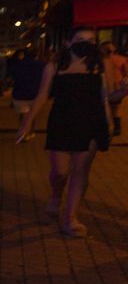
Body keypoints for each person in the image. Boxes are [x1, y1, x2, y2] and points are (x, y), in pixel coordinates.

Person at [16, 27, 113, 237]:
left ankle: (71, 218)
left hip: (92, 123)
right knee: (60, 172)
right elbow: (42, 96)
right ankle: (56, 196)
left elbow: (107, 96)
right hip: (62, 122)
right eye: (80, 39)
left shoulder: (100, 65)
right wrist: (27, 122)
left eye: (90, 40)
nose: (85, 43)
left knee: (80, 170)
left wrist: (113, 114)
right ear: (68, 43)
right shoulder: (55, 66)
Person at [7, 47, 46, 140]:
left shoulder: (17, 64)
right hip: (34, 94)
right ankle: (30, 131)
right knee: (32, 114)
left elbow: (12, 77)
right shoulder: (41, 65)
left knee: (23, 114)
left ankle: (23, 132)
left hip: (20, 93)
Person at [101, 41, 128, 136]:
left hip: (105, 84)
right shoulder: (122, 59)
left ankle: (106, 127)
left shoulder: (101, 60)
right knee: (116, 109)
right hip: (118, 84)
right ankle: (117, 128)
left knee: (104, 107)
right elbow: (126, 71)